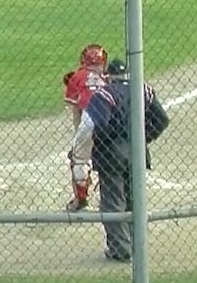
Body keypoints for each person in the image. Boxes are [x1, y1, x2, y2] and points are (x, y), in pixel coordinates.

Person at [66, 58, 171, 262]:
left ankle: (120, 249)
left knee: (113, 202)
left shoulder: (104, 94)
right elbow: (161, 119)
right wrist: (142, 138)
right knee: (135, 199)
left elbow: (95, 125)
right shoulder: (143, 90)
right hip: (138, 153)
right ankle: (137, 245)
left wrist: (100, 145)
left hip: (111, 155)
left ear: (108, 76)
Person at [62, 43, 110, 211]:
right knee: (110, 157)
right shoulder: (110, 76)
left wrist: (78, 138)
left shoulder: (77, 76)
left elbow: (76, 111)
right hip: (113, 119)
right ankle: (110, 199)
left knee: (79, 159)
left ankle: (80, 200)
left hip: (90, 118)